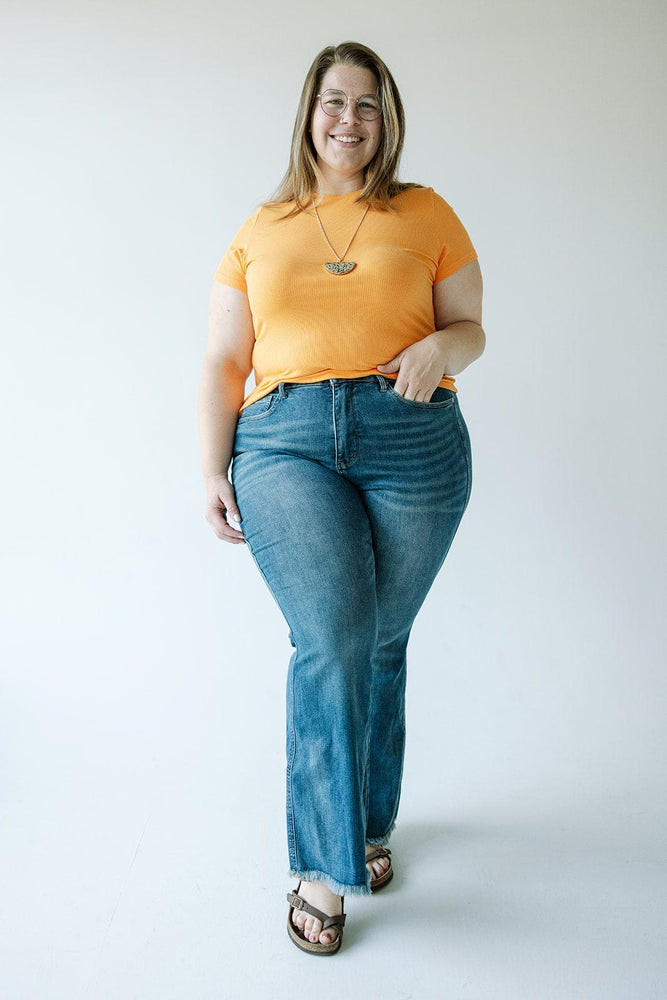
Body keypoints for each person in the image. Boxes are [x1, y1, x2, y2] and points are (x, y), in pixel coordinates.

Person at [198, 40, 485, 955]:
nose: (348, 121)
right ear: (308, 112)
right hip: (284, 441)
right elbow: (222, 358)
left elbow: (470, 325)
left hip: (412, 439)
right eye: (333, 102)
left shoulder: (426, 211)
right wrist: (211, 467)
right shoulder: (261, 225)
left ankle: (367, 822)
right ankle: (324, 866)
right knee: (332, 635)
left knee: (379, 639)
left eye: (366, 105)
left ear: (385, 119)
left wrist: (444, 350)